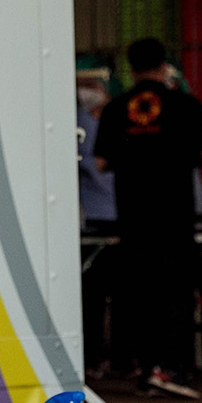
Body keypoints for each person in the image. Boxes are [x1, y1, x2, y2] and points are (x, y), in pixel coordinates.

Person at [95, 37, 202, 399]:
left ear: (130, 69)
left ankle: (145, 369)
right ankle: (173, 368)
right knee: (177, 291)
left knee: (139, 293)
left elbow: (101, 162)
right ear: (165, 65)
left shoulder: (116, 109)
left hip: (134, 219)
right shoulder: (186, 105)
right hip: (175, 218)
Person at [76, 75, 121, 378]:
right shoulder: (81, 123)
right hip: (93, 221)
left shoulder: (109, 121)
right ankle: (93, 356)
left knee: (108, 293)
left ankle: (110, 356)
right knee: (91, 294)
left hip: (110, 217)